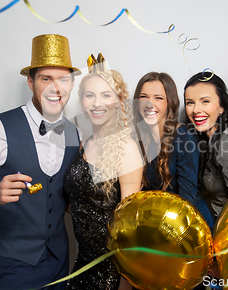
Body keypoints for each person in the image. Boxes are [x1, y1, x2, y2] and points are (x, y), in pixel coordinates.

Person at [0, 34, 81, 290]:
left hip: (60, 261)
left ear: (72, 84)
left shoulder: (76, 133)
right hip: (12, 264)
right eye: (46, 79)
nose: (56, 88)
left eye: (63, 79)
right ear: (30, 82)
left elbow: (64, 196)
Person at [63, 54, 143, 290]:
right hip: (82, 263)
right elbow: (77, 200)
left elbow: (130, 229)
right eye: (90, 95)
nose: (97, 103)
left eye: (106, 95)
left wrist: (125, 285)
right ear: (82, 101)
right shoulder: (84, 143)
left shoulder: (126, 149)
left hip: (112, 271)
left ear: (118, 101)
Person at [133, 72, 214, 229]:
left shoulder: (184, 138)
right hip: (158, 224)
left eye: (158, 98)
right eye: (144, 97)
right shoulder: (138, 138)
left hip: (190, 226)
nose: (149, 103)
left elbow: (187, 202)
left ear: (169, 103)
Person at [183, 71, 228, 226]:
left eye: (205, 101)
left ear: (222, 106)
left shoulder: (226, 143)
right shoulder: (205, 140)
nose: (196, 110)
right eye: (190, 102)